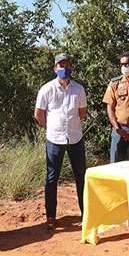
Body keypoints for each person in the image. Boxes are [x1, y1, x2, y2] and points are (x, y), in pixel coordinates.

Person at [35, 53, 87, 230]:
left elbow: (82, 112)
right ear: (55, 68)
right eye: (61, 65)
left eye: (67, 65)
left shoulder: (79, 89)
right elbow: (38, 113)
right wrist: (50, 128)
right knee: (52, 178)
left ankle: (86, 213)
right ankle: (51, 216)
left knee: (81, 176)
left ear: (71, 67)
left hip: (75, 138)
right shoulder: (47, 89)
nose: (64, 68)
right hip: (54, 139)